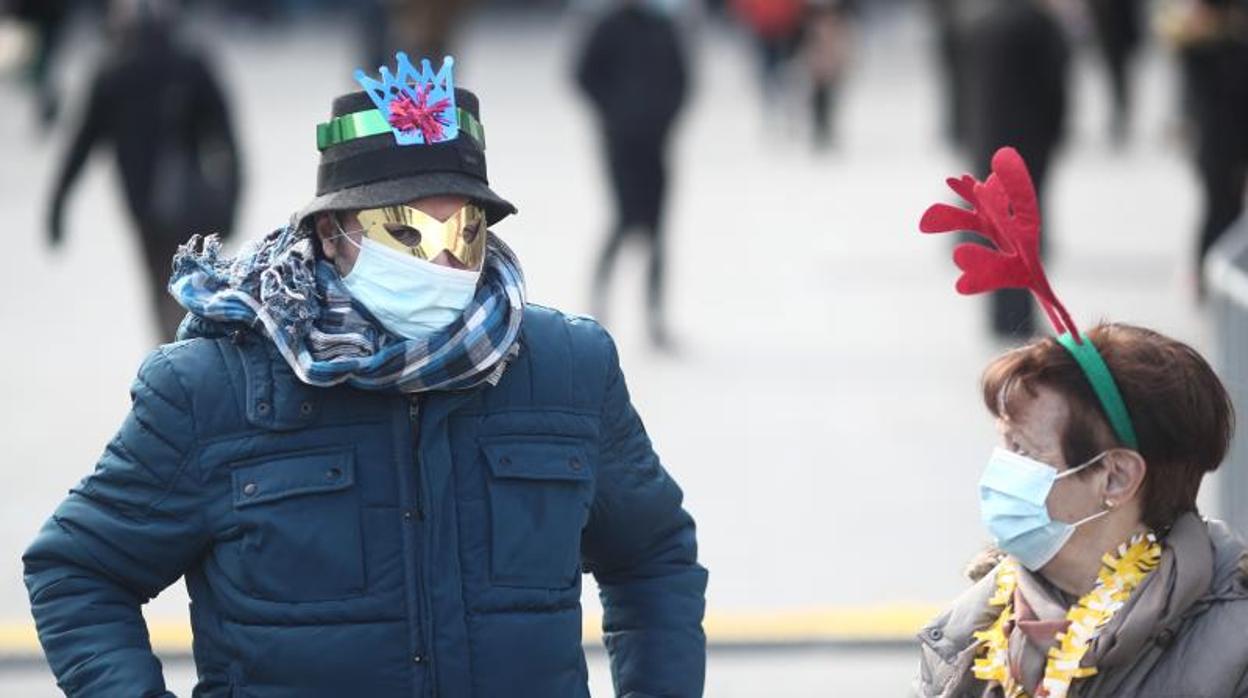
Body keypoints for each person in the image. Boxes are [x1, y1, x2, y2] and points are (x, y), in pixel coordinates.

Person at [24, 54, 707, 697]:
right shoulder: (210, 387)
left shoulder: (569, 369)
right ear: (331, 234)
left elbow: (653, 556)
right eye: (405, 230)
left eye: (463, 229)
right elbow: (80, 568)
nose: (441, 261)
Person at [916, 148, 1248, 697]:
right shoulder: (970, 628)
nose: (999, 473)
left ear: (1115, 478)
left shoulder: (1231, 653)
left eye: (1025, 453)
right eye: (1004, 445)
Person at [46, 0, 242, 341]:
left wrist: (57, 207)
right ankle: (191, 355)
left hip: (142, 206)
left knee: (160, 286)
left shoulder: (112, 73)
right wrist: (232, 202)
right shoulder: (191, 65)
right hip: (193, 203)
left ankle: (176, 359)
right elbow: (228, 142)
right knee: (196, 287)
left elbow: (80, 146)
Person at [576, 0, 690, 350]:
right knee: (623, 221)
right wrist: (613, 114)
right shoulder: (607, 26)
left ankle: (654, 316)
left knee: (657, 228)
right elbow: (582, 76)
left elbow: (683, 79)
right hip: (620, 143)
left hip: (655, 143)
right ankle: (598, 304)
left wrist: (664, 117)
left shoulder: (663, 26)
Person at [959, 0, 1069, 339]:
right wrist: (1056, 132)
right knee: (1023, 232)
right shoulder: (1039, 25)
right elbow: (1054, 88)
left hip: (986, 138)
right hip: (1027, 144)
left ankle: (999, 314)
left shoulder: (978, 22)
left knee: (996, 229)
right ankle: (1017, 316)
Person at [1161, 0, 1248, 292]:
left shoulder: (1218, 45)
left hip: (1223, 143)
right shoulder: (1206, 48)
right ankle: (1207, 276)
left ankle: (1207, 275)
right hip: (1218, 145)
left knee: (1223, 211)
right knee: (1219, 211)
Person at [1086, 0, 1144, 145]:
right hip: (1109, 38)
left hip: (1120, 39)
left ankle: (1122, 112)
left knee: (1120, 78)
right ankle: (1119, 112)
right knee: (1115, 79)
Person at [801, 0, 855, 150]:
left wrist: (843, 63)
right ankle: (819, 131)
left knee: (830, 101)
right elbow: (807, 47)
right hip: (818, 70)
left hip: (831, 68)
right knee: (818, 101)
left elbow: (845, 45)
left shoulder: (840, 24)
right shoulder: (811, 24)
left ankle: (827, 131)